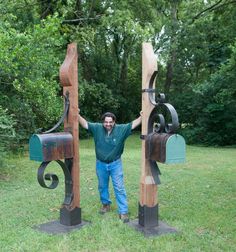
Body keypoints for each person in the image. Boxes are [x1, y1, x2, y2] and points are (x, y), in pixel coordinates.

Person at [78, 110, 142, 223]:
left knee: (119, 187)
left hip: (115, 164)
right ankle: (105, 205)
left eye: (110, 122)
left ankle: (123, 211)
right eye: (106, 122)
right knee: (102, 186)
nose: (108, 124)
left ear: (114, 122)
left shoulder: (121, 129)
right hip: (100, 163)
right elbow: (85, 124)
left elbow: (133, 124)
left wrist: (143, 116)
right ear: (103, 122)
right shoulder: (97, 128)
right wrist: (76, 114)